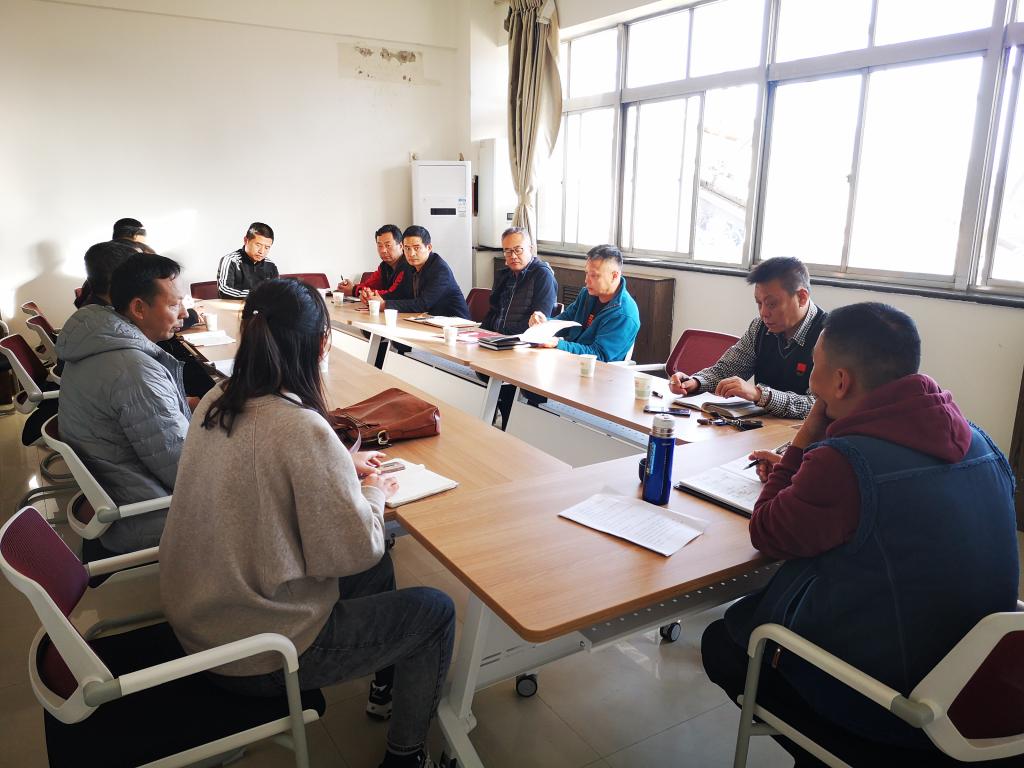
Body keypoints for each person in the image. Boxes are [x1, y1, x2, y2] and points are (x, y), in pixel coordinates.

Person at [701, 302, 1019, 765]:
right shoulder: (982, 441)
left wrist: (805, 439)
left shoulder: (847, 461)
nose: (811, 381)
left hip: (894, 708)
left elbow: (767, 531)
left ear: (840, 382)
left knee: (723, 643)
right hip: (982, 690)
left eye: (815, 367)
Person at [160, 278, 455, 768]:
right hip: (257, 651)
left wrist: (338, 465)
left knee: (378, 570)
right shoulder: (301, 427)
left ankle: (385, 680)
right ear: (321, 345)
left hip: (202, 617)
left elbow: (267, 468)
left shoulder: (218, 397)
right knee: (434, 610)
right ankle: (407, 757)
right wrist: (374, 490)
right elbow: (355, 548)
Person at [56, 254, 192, 554]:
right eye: (174, 305)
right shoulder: (134, 370)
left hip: (124, 489)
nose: (185, 313)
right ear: (139, 308)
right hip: (149, 514)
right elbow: (185, 471)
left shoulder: (98, 339)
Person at [668, 256, 825, 419]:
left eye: (772, 304)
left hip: (802, 432)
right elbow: (726, 370)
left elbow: (816, 404)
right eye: (759, 303)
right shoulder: (760, 327)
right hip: (762, 426)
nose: (763, 313)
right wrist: (695, 382)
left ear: (802, 297)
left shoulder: (828, 337)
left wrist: (759, 395)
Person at [527, 243, 639, 362]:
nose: (586, 280)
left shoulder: (624, 314)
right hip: (571, 362)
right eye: (586, 273)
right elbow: (565, 321)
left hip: (598, 370)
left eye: (594, 275)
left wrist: (558, 344)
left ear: (614, 276)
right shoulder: (587, 294)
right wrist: (543, 323)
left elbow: (599, 355)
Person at [365, 225, 470, 318]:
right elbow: (398, 294)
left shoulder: (440, 270)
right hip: (428, 321)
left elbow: (423, 304)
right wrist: (374, 298)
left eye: (416, 248)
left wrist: (385, 305)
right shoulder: (409, 266)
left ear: (429, 247)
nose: (411, 254)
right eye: (407, 248)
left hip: (456, 325)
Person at [482, 227, 557, 335]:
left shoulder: (543, 275)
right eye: (508, 251)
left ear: (530, 249)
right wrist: (479, 333)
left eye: (518, 250)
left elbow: (538, 321)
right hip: (495, 337)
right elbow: (493, 313)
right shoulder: (503, 275)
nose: (513, 256)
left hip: (521, 340)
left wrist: (503, 334)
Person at [337, 224, 409, 301]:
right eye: (380, 246)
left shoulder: (408, 265)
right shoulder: (384, 266)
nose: (383, 250)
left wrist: (354, 290)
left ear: (401, 246)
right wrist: (352, 287)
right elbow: (369, 285)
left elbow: (393, 295)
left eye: (388, 245)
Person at [217, 221, 280, 299]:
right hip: (235, 306)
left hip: (262, 306)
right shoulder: (231, 260)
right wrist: (259, 294)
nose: (262, 251)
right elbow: (224, 291)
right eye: (258, 245)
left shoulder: (270, 265)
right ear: (246, 240)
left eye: (267, 247)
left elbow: (278, 291)